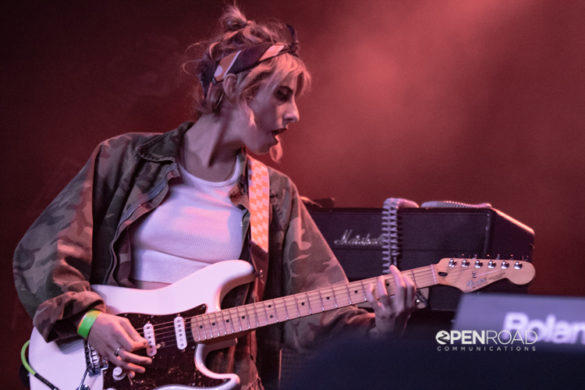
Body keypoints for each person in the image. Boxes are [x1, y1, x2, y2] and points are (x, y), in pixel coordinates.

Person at [13, 6, 416, 390]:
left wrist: (380, 326)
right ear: (239, 89)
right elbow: (42, 254)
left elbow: (316, 313)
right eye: (282, 95)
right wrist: (88, 322)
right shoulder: (124, 159)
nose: (294, 114)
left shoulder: (273, 195)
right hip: (107, 373)